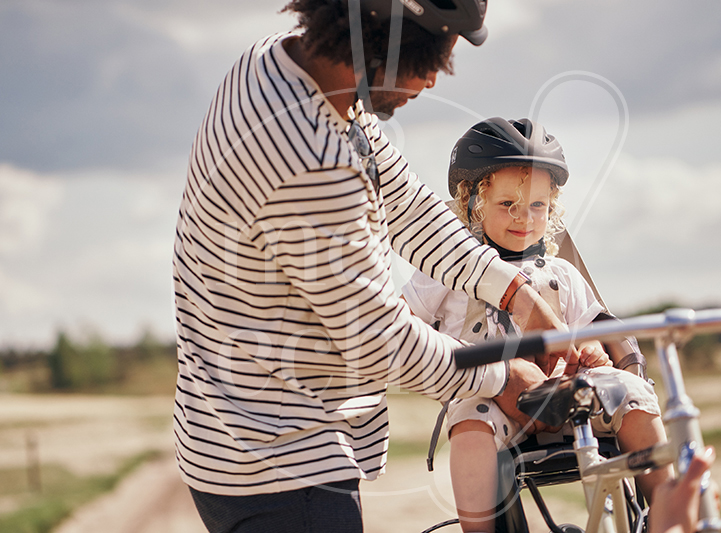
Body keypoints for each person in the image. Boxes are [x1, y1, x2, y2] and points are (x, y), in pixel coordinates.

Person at [171, 2, 568, 532]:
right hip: (282, 465)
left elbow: (402, 202)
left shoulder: (280, 68)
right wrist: (500, 378)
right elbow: (379, 338)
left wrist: (516, 291)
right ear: (383, 30)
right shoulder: (308, 157)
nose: (431, 79)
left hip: (244, 435)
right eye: (430, 57)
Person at [401, 117, 671, 532]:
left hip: (570, 395)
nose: (523, 217)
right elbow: (401, 321)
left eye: (538, 205)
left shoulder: (562, 272)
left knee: (632, 393)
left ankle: (666, 511)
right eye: (507, 204)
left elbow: (595, 328)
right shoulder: (445, 271)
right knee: (469, 423)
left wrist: (598, 353)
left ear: (553, 207)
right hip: (491, 397)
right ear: (472, 202)